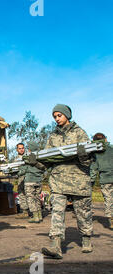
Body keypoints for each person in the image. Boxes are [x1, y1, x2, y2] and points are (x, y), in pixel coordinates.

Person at [40, 104, 93, 259]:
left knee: (82, 213)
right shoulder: (52, 137)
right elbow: (47, 160)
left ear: (67, 115)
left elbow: (88, 161)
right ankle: (56, 245)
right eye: (54, 116)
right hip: (58, 180)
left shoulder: (79, 133)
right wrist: (34, 162)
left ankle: (86, 239)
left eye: (59, 115)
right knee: (57, 213)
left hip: (79, 179)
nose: (57, 119)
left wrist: (83, 154)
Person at [90, 133, 113, 229]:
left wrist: (91, 182)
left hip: (105, 179)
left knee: (109, 199)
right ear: (106, 140)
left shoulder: (95, 154)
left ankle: (111, 220)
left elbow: (94, 169)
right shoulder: (111, 149)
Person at [14, 143, 29, 219]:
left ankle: (34, 212)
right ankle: (25, 212)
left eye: (22, 148)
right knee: (21, 195)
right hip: (20, 179)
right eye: (19, 148)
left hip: (28, 178)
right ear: (17, 150)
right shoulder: (16, 159)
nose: (21, 149)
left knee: (30, 195)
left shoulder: (28, 157)